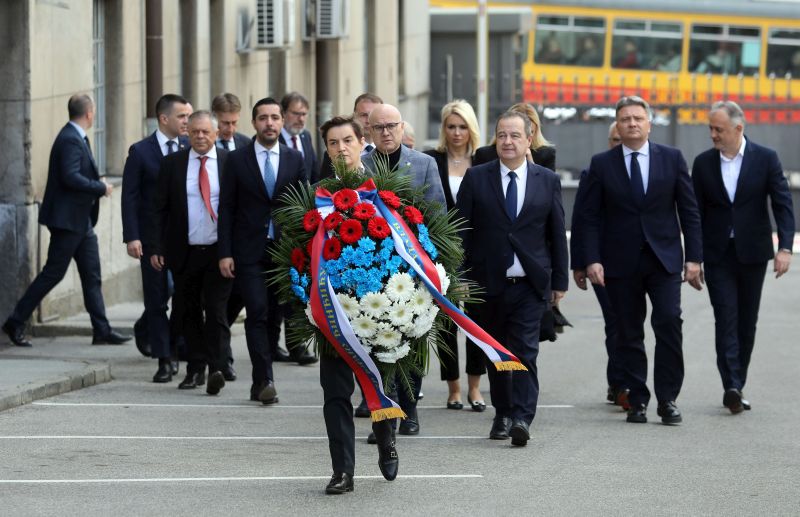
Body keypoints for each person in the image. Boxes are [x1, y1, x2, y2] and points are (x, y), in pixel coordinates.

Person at [581, 96, 703, 425]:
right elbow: (589, 217)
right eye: (625, 119)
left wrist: (694, 258)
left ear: (649, 123)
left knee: (668, 324)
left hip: (664, 261)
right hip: (620, 262)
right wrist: (590, 259)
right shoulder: (602, 163)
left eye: (638, 118)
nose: (632, 123)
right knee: (628, 331)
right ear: (617, 126)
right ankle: (637, 399)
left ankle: (668, 399)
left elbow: (689, 211)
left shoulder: (672, 159)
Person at [457, 110, 568, 447]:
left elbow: (555, 234)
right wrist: (459, 276)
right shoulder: (476, 178)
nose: (507, 141)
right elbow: (460, 231)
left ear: (528, 139)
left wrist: (559, 281)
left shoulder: (546, 180)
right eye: (502, 135)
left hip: (530, 285)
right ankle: (503, 413)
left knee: (524, 352)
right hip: (487, 283)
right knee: (497, 353)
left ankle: (521, 416)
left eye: (515, 136)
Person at [3, 94, 130, 348]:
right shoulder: (70, 139)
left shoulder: (74, 137)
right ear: (90, 113)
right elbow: (70, 177)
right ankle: (15, 322)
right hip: (67, 221)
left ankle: (101, 330)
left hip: (80, 221)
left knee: (91, 274)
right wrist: (99, 187)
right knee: (53, 273)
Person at [691, 100, 795, 414]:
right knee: (726, 318)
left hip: (753, 254)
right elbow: (693, 213)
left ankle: (739, 382)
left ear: (738, 128)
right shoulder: (703, 163)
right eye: (710, 128)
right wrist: (693, 258)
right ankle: (731, 385)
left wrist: (785, 248)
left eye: (718, 129)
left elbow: (782, 204)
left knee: (747, 323)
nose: (712, 135)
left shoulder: (766, 158)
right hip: (718, 254)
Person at [316, 115, 400, 494]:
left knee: (378, 381)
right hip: (333, 312)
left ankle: (386, 440)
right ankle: (342, 471)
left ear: (360, 140)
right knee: (335, 393)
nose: (341, 149)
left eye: (346, 140)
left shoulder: (380, 188)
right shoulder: (316, 196)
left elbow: (402, 246)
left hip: (377, 310)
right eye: (333, 143)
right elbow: (301, 252)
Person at [361, 103, 447, 436]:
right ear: (369, 132)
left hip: (413, 268)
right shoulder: (360, 165)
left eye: (391, 126)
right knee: (377, 342)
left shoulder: (424, 164)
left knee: (411, 338)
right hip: (373, 268)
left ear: (401, 127)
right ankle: (385, 413)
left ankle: (409, 410)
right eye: (378, 127)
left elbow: (437, 212)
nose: (385, 132)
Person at [217, 98, 308, 404]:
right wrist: (225, 252)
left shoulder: (295, 159)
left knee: (273, 315)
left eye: (274, 118)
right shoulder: (237, 160)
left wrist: (304, 250)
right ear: (254, 123)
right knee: (256, 311)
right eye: (263, 118)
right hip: (248, 250)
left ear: (282, 122)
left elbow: (303, 208)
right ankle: (264, 378)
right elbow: (226, 207)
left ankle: (261, 381)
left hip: (283, 252)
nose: (269, 123)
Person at [149, 111, 232, 394]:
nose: (199, 136)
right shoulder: (172, 164)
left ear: (216, 134)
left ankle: (217, 368)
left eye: (205, 132)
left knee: (217, 312)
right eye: (194, 131)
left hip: (219, 252)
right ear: (187, 133)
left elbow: (237, 209)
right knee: (188, 312)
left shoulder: (229, 163)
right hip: (184, 250)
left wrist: (231, 250)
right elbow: (159, 209)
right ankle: (195, 368)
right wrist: (157, 247)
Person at [121, 94, 191, 381]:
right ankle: (163, 359)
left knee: (185, 298)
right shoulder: (141, 152)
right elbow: (130, 197)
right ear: (164, 119)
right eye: (182, 117)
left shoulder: (190, 147)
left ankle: (176, 347)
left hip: (185, 239)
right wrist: (132, 237)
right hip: (151, 241)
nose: (187, 121)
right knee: (156, 300)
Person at [423, 99, 487, 412]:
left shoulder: (484, 158)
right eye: (451, 126)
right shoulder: (431, 160)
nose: (457, 132)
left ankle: (475, 386)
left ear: (471, 128)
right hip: (441, 251)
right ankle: (454, 388)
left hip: (478, 250)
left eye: (462, 126)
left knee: (476, 320)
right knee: (447, 323)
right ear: (443, 129)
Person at [570, 122, 627, 408]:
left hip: (636, 263)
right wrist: (579, 263)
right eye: (614, 139)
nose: (619, 143)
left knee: (629, 321)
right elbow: (581, 219)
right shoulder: (595, 171)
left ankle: (622, 379)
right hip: (601, 264)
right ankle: (620, 383)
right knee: (615, 320)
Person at [473, 102, 556, 171]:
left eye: (530, 132)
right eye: (514, 134)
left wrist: (530, 164)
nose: (508, 141)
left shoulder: (546, 154)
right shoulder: (485, 155)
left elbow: (547, 187)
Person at [319, 93, 383, 180]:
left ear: (361, 142)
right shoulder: (333, 153)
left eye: (347, 141)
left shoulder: (389, 149)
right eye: (364, 115)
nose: (368, 120)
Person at [280, 92, 319, 184]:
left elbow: (314, 173)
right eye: (295, 113)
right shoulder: (274, 139)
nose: (301, 119)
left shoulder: (306, 136)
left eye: (304, 114)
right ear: (283, 113)